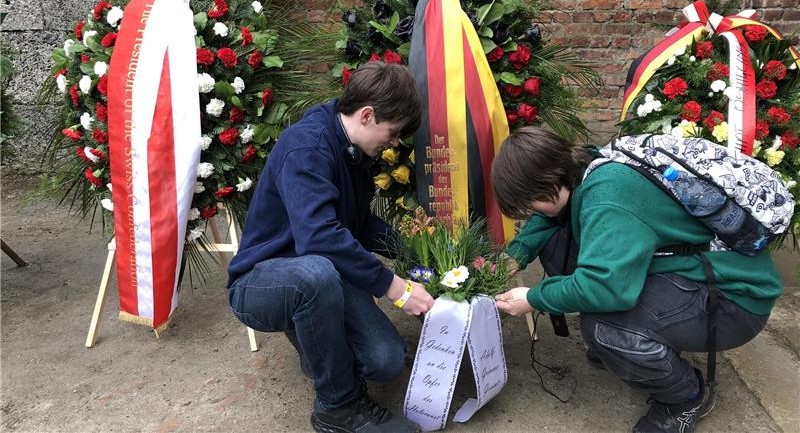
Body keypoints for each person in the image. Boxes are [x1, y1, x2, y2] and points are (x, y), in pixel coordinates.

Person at [491, 127, 782, 433]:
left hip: (735, 300)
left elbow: (604, 288)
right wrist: (517, 254)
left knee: (604, 328)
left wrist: (534, 298)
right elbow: (551, 216)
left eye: (528, 204)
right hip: (695, 271)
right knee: (561, 246)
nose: (529, 212)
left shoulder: (606, 198)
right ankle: (650, 343)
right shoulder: (584, 166)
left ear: (548, 183)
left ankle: (686, 397)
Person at [227, 62, 434, 433]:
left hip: (320, 274)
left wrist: (415, 253)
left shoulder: (356, 152)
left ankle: (319, 345)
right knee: (316, 273)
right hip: (262, 282)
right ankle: (337, 409)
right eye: (394, 133)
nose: (395, 143)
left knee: (386, 361)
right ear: (368, 115)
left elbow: (358, 223)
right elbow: (320, 237)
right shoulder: (306, 147)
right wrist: (396, 288)